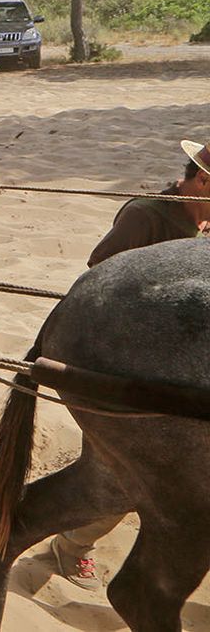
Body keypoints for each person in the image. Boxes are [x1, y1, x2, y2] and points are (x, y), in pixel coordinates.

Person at [47, 138, 210, 591]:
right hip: (127, 354)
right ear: (201, 180)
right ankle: (73, 544)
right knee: (130, 474)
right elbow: (101, 272)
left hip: (181, 357)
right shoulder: (145, 215)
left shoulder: (205, 218)